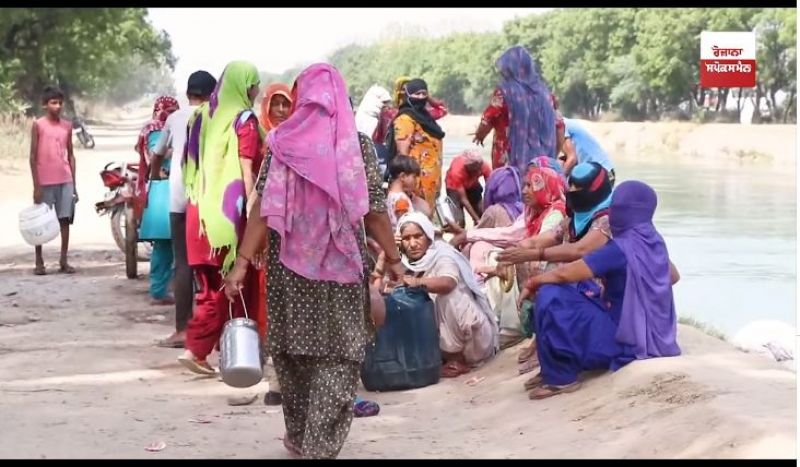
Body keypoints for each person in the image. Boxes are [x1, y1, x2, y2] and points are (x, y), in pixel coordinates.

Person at [223, 63, 404, 459]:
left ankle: (301, 435)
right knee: (339, 353)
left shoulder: (282, 141)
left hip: (288, 268)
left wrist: (242, 263)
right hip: (340, 270)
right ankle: (319, 445)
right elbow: (375, 212)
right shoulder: (354, 145)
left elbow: (261, 209)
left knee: (294, 352)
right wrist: (393, 257)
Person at [517, 181, 681, 399]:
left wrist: (533, 283)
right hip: (656, 336)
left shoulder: (620, 248)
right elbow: (673, 276)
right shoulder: (652, 240)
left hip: (625, 340)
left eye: (616, 207)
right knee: (582, 287)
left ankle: (561, 377)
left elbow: (564, 274)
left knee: (552, 295)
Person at [178, 61, 263, 375]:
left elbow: (190, 164)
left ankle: (209, 350)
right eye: (254, 85)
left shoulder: (201, 116)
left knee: (208, 286)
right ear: (245, 87)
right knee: (231, 286)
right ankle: (203, 350)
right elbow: (246, 170)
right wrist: (253, 214)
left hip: (199, 213)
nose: (257, 91)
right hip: (229, 217)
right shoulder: (244, 121)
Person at [151, 71, 217, 348]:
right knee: (213, 263)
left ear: (189, 93)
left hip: (179, 196)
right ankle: (214, 330)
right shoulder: (215, 116)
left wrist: (155, 177)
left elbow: (157, 155)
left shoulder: (174, 118)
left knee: (183, 262)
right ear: (212, 94)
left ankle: (182, 330)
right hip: (210, 198)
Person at [396, 212, 499, 378]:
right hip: (437, 346)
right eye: (406, 239)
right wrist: (386, 257)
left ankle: (456, 359)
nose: (413, 244)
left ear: (428, 236)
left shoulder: (443, 255)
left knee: (448, 296)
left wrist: (417, 282)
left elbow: (448, 283)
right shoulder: (406, 264)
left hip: (474, 343)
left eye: (418, 236)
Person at [254, 81, 294, 405]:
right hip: (271, 234)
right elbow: (259, 195)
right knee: (272, 304)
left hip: (299, 236)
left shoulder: (297, 139)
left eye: (286, 104)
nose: (280, 110)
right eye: (275, 104)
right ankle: (276, 378)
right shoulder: (261, 139)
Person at [473, 46, 556, 177]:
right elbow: (558, 125)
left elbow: (488, 118)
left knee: (509, 187)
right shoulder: (544, 93)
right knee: (535, 186)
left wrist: (479, 135)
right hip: (541, 159)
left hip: (510, 157)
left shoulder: (504, 91)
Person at [136, 96, 180, 306]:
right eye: (169, 111)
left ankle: (165, 288)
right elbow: (156, 155)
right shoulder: (155, 129)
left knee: (170, 244)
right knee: (165, 244)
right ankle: (159, 290)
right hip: (164, 187)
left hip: (166, 188)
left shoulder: (161, 128)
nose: (171, 116)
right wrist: (180, 146)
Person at [30, 86, 77, 276]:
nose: (57, 106)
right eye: (53, 102)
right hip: (45, 180)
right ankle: (39, 261)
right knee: (40, 222)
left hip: (65, 179)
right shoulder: (38, 125)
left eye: (60, 103)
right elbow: (32, 156)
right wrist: (36, 185)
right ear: (45, 105)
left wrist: (74, 183)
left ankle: (63, 260)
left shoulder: (67, 126)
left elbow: (71, 154)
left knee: (64, 219)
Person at [388, 78, 445, 208]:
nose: (421, 97)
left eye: (424, 94)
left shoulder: (427, 118)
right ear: (408, 95)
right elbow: (403, 153)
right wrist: (408, 184)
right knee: (416, 216)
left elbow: (443, 109)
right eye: (417, 94)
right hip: (416, 182)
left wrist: (431, 100)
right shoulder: (405, 119)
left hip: (432, 181)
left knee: (427, 215)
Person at [444, 149, 492, 228]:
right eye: (475, 171)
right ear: (468, 168)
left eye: (479, 170)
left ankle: (478, 233)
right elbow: (464, 200)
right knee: (459, 222)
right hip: (454, 187)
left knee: (482, 212)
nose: (478, 172)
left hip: (472, 185)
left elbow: (491, 188)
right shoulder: (456, 172)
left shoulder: (484, 166)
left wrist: (489, 208)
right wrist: (477, 220)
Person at [559, 118, 615, 183]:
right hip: (602, 171)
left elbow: (572, 159)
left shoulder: (560, 125)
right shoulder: (563, 123)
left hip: (600, 173)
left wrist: (558, 180)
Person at [385, 155, 429, 231]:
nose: (416, 181)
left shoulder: (390, 194)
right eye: (414, 177)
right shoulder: (401, 199)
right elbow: (404, 223)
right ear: (402, 176)